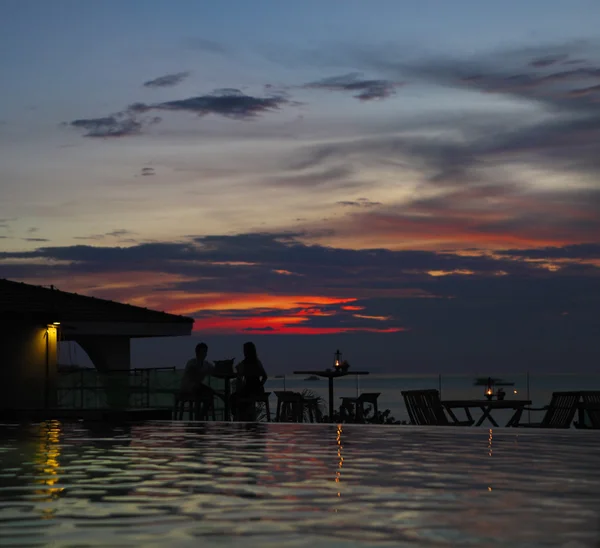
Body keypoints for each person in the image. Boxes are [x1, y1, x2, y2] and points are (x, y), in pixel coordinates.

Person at [230, 342, 268, 421]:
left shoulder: (245, 363)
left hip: (250, 388)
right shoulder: (257, 362)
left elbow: (239, 375)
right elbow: (265, 376)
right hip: (256, 388)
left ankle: (237, 418)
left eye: (245, 351)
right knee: (240, 397)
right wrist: (260, 385)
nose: (244, 352)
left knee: (233, 397)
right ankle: (245, 417)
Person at [180, 343, 216, 415]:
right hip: (188, 386)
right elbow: (193, 375)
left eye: (205, 352)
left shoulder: (206, 364)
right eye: (202, 352)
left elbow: (214, 370)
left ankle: (201, 414)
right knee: (202, 393)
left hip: (197, 386)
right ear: (197, 352)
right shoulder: (192, 363)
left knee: (210, 393)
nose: (204, 354)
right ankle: (199, 415)